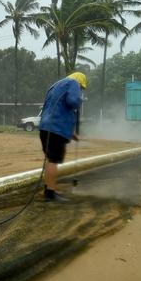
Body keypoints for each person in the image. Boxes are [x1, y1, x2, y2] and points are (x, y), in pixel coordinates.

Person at [38, 72, 87, 202]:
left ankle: (48, 189)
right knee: (53, 160)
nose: (80, 90)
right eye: (81, 88)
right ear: (80, 82)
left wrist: (70, 133)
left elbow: (56, 108)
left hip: (45, 127)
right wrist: (79, 101)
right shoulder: (73, 83)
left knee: (50, 159)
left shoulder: (55, 86)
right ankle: (50, 194)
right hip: (55, 128)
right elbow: (72, 101)